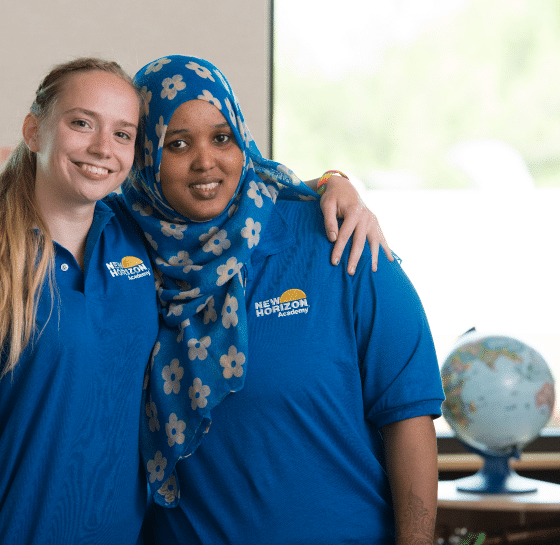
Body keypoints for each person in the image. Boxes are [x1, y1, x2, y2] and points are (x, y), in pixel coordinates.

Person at [121, 55, 444, 545]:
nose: (205, 161)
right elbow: (46, 210)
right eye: (177, 143)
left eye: (222, 137)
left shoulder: (339, 238)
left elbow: (409, 416)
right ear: (144, 156)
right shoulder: (121, 254)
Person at [0, 58, 160, 544]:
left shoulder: (142, 236)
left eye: (122, 134)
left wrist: (331, 185)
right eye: (81, 122)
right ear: (34, 130)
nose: (101, 148)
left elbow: (234, 198)